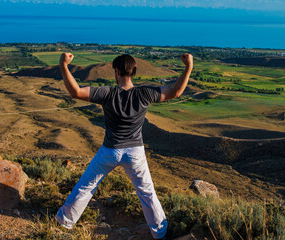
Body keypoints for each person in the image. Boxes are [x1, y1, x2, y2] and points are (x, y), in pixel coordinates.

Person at [55, 52, 193, 239]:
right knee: (147, 192)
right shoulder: (145, 93)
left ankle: (65, 221)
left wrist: (64, 65)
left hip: (110, 150)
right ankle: (160, 232)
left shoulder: (108, 93)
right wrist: (188, 67)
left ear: (117, 72)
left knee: (86, 185)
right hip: (135, 152)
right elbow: (175, 92)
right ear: (134, 71)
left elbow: (76, 92)